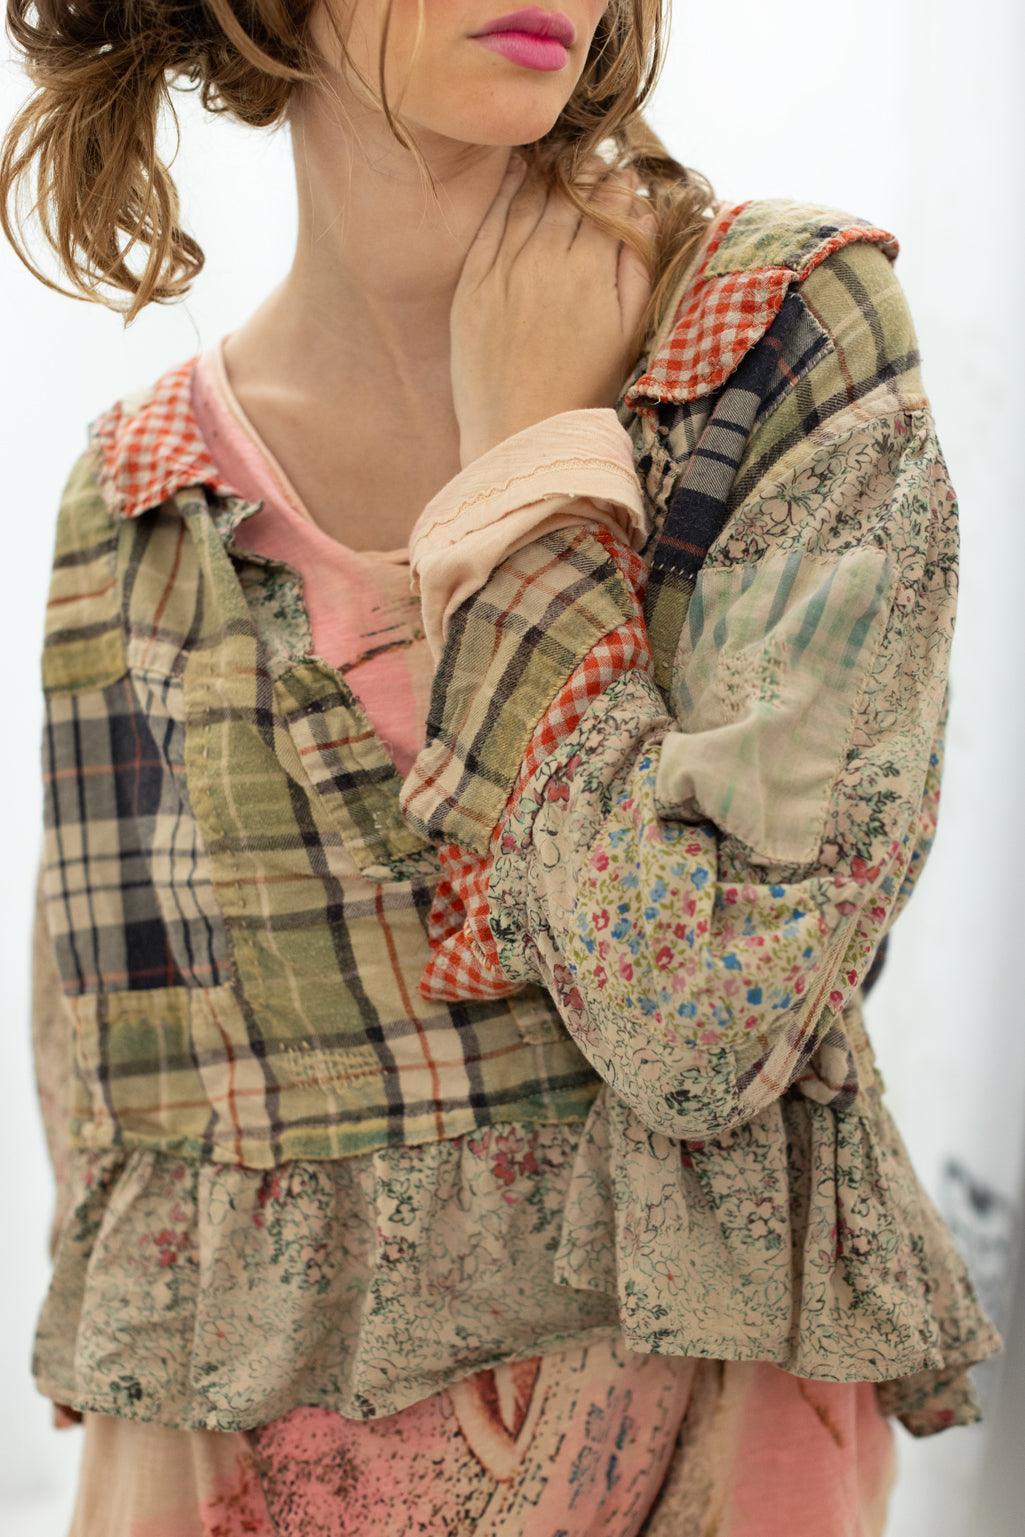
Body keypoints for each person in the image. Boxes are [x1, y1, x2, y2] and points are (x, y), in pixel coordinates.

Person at [3, 2, 1004, 1533]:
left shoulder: (774, 337)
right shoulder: (137, 513)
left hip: (709, 1472)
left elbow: (698, 1018)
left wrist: (529, 482)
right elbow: (129, 1219)